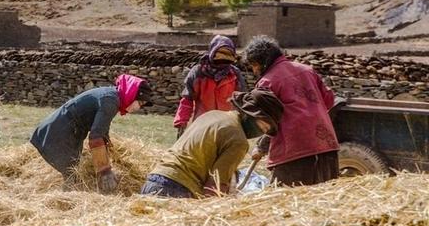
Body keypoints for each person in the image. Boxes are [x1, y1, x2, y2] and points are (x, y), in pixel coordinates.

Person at [142, 88, 284, 198]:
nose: (261, 131)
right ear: (249, 114)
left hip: (154, 179)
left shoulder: (213, 115)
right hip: (177, 188)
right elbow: (214, 186)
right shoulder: (239, 141)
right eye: (263, 126)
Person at [30, 74, 153, 194]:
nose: (138, 107)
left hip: (67, 129)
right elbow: (95, 137)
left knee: (73, 172)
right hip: (60, 130)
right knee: (71, 173)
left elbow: (102, 130)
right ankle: (64, 200)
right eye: (140, 103)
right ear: (131, 94)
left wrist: (110, 149)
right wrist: (104, 171)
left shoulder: (112, 97)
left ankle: (67, 196)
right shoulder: (110, 101)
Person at [244, 35, 339, 186]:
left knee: (288, 203)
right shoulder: (307, 70)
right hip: (326, 146)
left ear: (262, 62)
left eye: (254, 65)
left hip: (294, 154)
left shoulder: (267, 82)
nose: (254, 70)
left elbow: (270, 123)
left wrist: (261, 147)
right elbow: (329, 100)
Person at [173, 35, 246, 139]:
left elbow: (241, 100)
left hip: (226, 126)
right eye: (219, 59)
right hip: (201, 125)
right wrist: (181, 121)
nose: (222, 64)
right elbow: (187, 99)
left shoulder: (234, 74)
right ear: (212, 53)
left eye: (226, 61)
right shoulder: (198, 72)